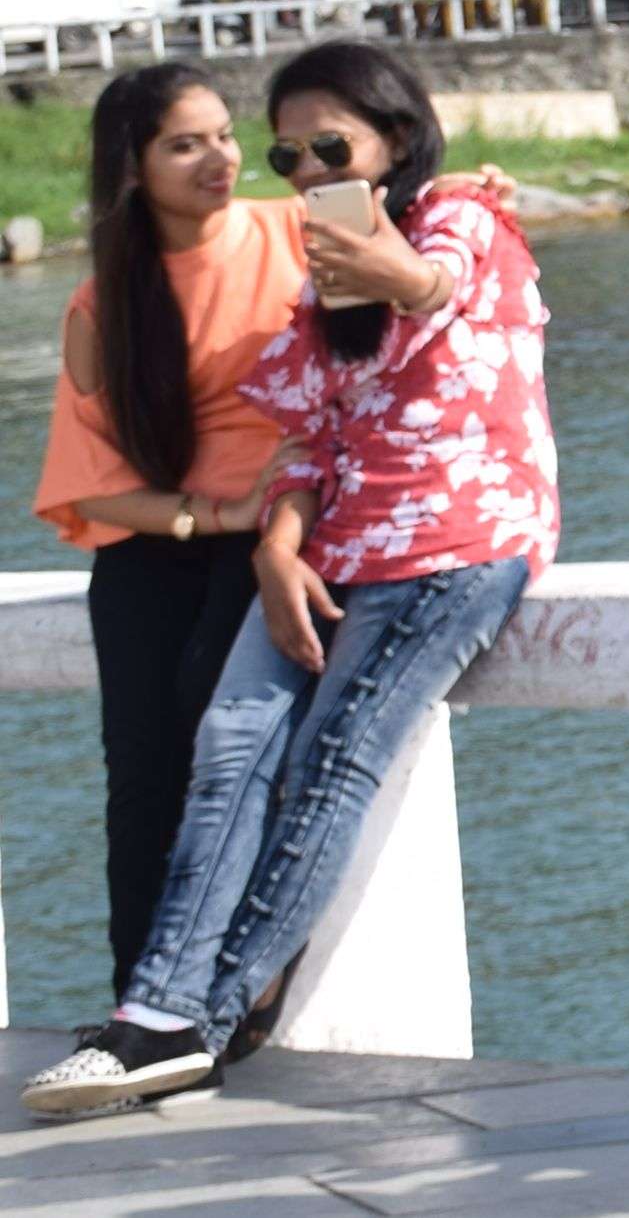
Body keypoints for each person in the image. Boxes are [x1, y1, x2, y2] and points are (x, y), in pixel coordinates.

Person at [23, 42, 557, 1119]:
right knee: (190, 758)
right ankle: (153, 1010)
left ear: (393, 140)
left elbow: (437, 281)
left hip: (400, 541)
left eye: (323, 146)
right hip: (263, 545)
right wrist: (264, 538)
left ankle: (198, 1021)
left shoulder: (413, 225)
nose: (286, 165)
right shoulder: (132, 300)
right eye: (283, 149)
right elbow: (304, 430)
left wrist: (407, 249)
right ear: (134, 168)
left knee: (317, 765)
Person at [33, 66, 307, 1001]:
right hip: (160, 542)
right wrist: (217, 511)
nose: (221, 159)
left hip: (283, 537)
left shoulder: (299, 232)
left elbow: (425, 237)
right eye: (186, 144)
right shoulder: (104, 303)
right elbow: (93, 483)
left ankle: (234, 989)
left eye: (226, 134)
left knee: (225, 739)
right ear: (134, 168)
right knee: (142, 775)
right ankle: (138, 1000)